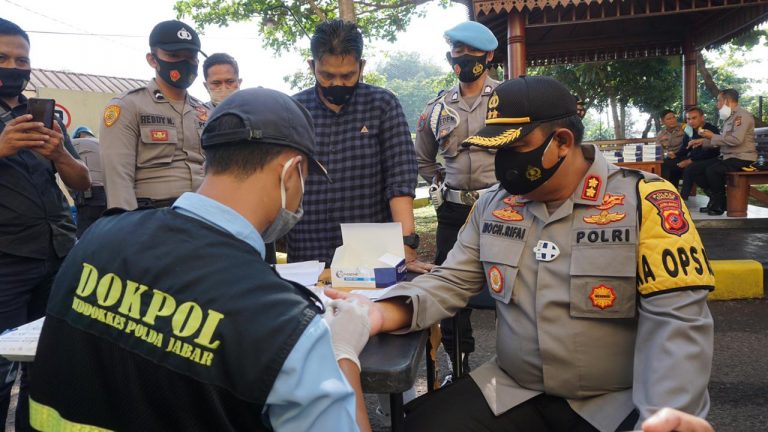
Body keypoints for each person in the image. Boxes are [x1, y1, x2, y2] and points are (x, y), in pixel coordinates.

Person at [329, 76, 715, 431]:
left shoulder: (644, 201)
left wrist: (668, 410)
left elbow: (677, 321)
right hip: (512, 387)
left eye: (515, 148)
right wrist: (376, 312)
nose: (504, 165)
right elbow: (451, 281)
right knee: (423, 425)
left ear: (562, 142)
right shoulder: (494, 205)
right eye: (497, 150)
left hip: (612, 401)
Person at [29, 88, 374, 432]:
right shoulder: (287, 325)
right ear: (291, 173)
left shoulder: (97, 238)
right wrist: (343, 352)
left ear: (209, 161)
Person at [0, 18, 91, 430]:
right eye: (2, 58)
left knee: (48, 368)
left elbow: (82, 182)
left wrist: (61, 155)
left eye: (22, 59)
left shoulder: (43, 115)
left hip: (57, 255)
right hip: (5, 264)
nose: (13, 67)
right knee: (2, 371)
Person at [290, 19, 433, 273]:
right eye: (327, 75)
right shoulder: (294, 111)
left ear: (362, 66)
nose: (337, 84)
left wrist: (407, 248)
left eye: (347, 75)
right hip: (307, 249)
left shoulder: (382, 105)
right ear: (312, 66)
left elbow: (400, 181)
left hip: (372, 251)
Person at [414, 20, 500, 382]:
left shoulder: (507, 99)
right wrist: (437, 180)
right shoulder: (436, 109)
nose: (463, 59)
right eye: (457, 52)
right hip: (453, 210)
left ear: (488, 56)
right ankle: (457, 365)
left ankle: (515, 364)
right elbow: (422, 158)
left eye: (471, 53)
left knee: (512, 283)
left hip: (501, 206)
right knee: (449, 290)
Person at [100, 20, 209, 211]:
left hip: (204, 212)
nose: (184, 63)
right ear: (152, 59)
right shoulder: (128, 105)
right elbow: (117, 178)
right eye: (173, 55)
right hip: (152, 215)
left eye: (190, 57)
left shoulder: (204, 113)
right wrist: (126, 226)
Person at [689, 88, 757, 215]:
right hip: (728, 156)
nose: (717, 104)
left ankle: (720, 204)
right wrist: (703, 142)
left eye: (718, 100)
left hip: (742, 157)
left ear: (727, 101)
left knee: (713, 170)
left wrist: (711, 137)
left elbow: (736, 140)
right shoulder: (730, 117)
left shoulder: (742, 116)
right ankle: (715, 199)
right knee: (694, 169)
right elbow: (724, 140)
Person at [674, 107, 720, 200]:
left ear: (702, 117)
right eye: (688, 119)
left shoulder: (711, 129)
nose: (691, 121)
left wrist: (691, 160)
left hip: (710, 159)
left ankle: (683, 199)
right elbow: (685, 148)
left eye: (694, 118)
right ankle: (671, 194)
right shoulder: (689, 130)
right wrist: (675, 155)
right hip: (694, 159)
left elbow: (712, 151)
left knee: (690, 169)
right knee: (668, 163)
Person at [71, 126, 107, 237]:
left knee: (85, 237)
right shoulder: (102, 143)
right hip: (109, 193)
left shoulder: (73, 143)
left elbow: (69, 178)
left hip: (89, 195)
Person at [657, 109, 686, 188]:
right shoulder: (661, 134)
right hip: (669, 158)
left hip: (683, 157)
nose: (672, 120)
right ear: (663, 122)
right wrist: (666, 154)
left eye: (673, 117)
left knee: (667, 165)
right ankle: (668, 190)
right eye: (669, 119)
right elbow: (659, 150)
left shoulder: (684, 128)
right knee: (663, 164)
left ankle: (670, 190)